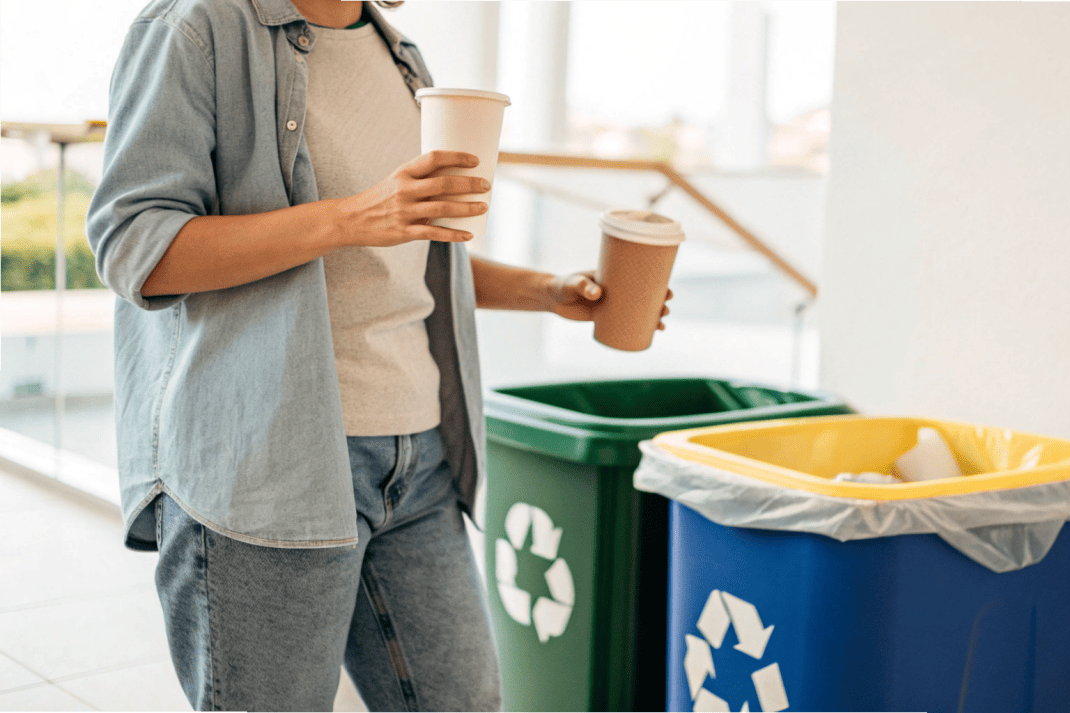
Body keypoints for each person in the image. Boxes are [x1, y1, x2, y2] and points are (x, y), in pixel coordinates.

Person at [85, 0, 670, 710]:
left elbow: (402, 252)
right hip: (267, 463)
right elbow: (135, 247)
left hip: (416, 457)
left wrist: (549, 292)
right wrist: (353, 216)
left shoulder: (401, 59)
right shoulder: (195, 28)